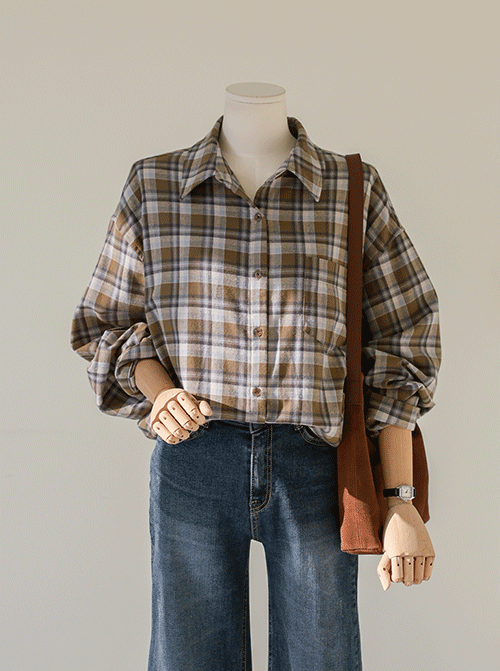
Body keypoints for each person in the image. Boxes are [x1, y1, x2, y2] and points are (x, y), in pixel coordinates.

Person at [70, 82, 441, 670]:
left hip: (315, 467)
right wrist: (161, 394)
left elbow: (403, 339)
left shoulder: (351, 188)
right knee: (188, 657)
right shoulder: (154, 186)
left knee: (322, 658)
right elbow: (106, 324)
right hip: (193, 458)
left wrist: (401, 501)